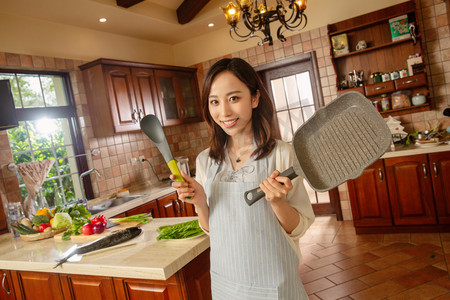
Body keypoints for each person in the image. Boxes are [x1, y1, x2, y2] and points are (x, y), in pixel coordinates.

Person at [170, 57, 315, 300]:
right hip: (226, 283)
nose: (224, 111)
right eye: (214, 101)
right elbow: (211, 230)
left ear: (255, 98)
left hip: (274, 283)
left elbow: (298, 229)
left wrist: (278, 202)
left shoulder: (281, 154)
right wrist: (200, 202)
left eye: (234, 98)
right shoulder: (206, 160)